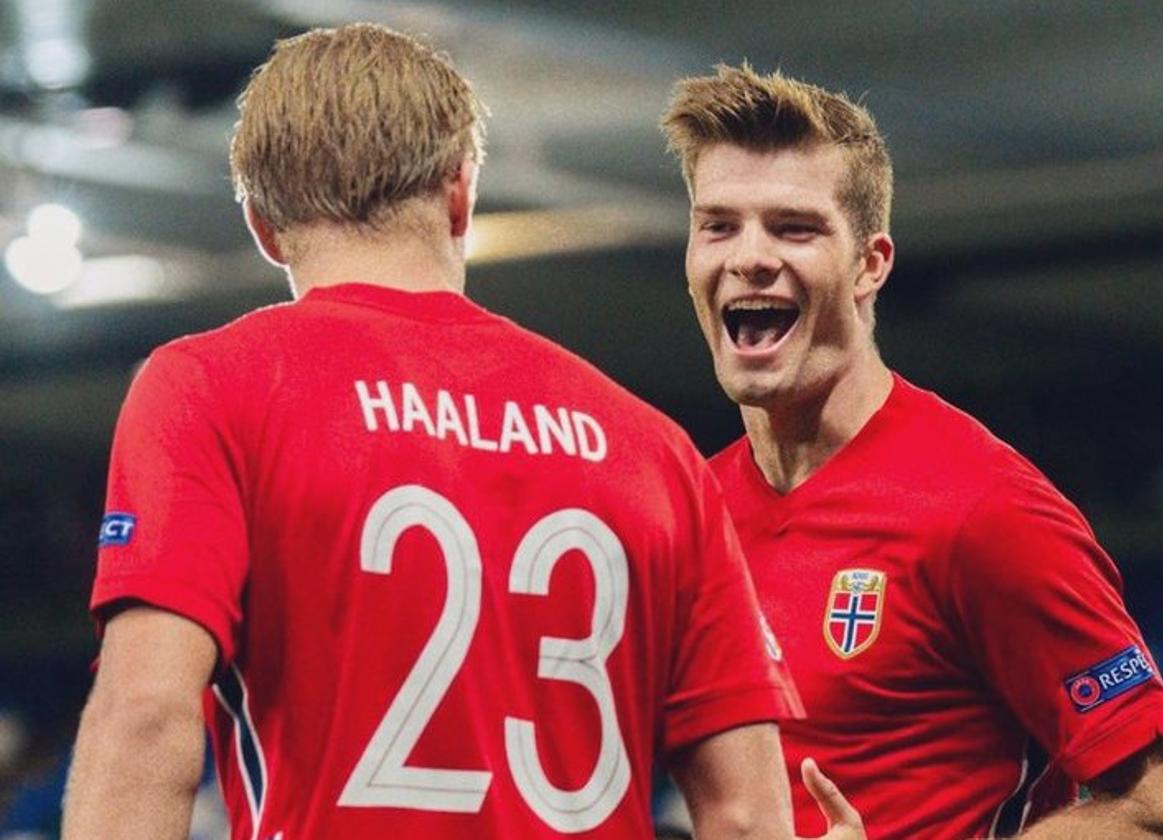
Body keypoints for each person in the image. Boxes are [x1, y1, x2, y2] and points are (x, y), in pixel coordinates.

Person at [60, 25, 868, 840]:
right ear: (461, 192)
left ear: (263, 222)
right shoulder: (653, 449)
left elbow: (146, 716)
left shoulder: (214, 386)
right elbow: (747, 819)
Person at [660, 63, 1163, 840]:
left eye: (794, 227)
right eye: (719, 225)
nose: (748, 256)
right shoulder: (685, 510)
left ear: (870, 265)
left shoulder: (984, 509)